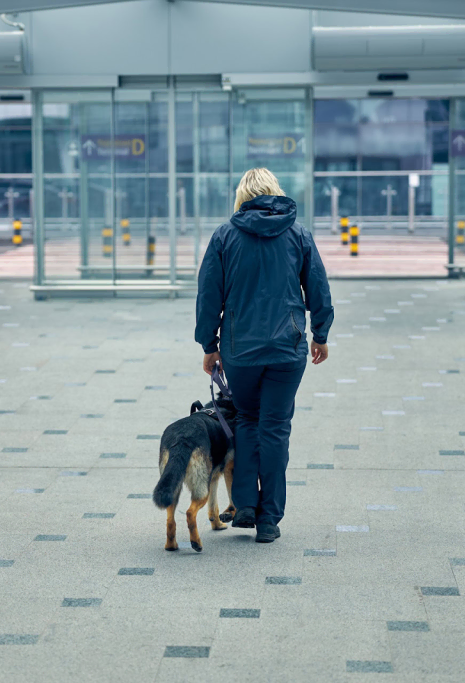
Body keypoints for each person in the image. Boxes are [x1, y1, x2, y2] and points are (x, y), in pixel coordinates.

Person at [195, 168, 333, 544]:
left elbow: (209, 294)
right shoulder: (298, 234)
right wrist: (320, 333)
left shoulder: (225, 236)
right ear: (276, 192)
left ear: (242, 196)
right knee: (275, 428)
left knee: (247, 421)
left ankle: (246, 507)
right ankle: (269, 519)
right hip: (287, 350)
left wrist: (209, 344)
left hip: (239, 351)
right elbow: (318, 286)